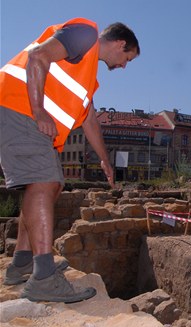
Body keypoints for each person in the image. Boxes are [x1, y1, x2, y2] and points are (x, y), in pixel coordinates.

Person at [0, 19, 140, 303]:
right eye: (127, 58)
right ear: (120, 43)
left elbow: (89, 121)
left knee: (48, 187)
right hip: (20, 109)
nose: (124, 66)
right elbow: (38, 56)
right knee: (44, 183)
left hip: (25, 117)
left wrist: (104, 161)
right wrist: (38, 110)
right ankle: (43, 278)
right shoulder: (85, 34)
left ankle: (23, 262)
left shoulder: (87, 75)